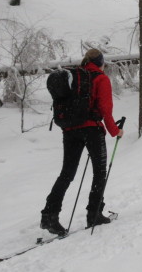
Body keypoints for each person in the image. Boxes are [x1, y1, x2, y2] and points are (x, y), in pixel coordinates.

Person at [40, 48, 124, 236]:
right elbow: (105, 109)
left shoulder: (75, 78)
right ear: (101, 62)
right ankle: (94, 214)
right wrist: (115, 131)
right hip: (92, 129)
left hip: (70, 130)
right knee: (99, 172)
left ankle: (49, 215)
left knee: (67, 173)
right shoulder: (100, 79)